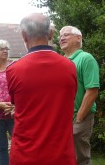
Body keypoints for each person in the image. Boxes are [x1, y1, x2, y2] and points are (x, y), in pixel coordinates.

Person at [6, 13, 77, 165]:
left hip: (26, 156)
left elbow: (18, 105)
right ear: (51, 34)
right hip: (62, 155)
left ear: (24, 36)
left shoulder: (13, 69)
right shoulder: (70, 67)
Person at [59, 26, 99, 165]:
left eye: (66, 35)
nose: (61, 38)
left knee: (80, 159)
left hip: (80, 117)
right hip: (63, 118)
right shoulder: (61, 61)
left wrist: (79, 119)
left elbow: (92, 90)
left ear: (78, 38)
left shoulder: (86, 58)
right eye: (60, 35)